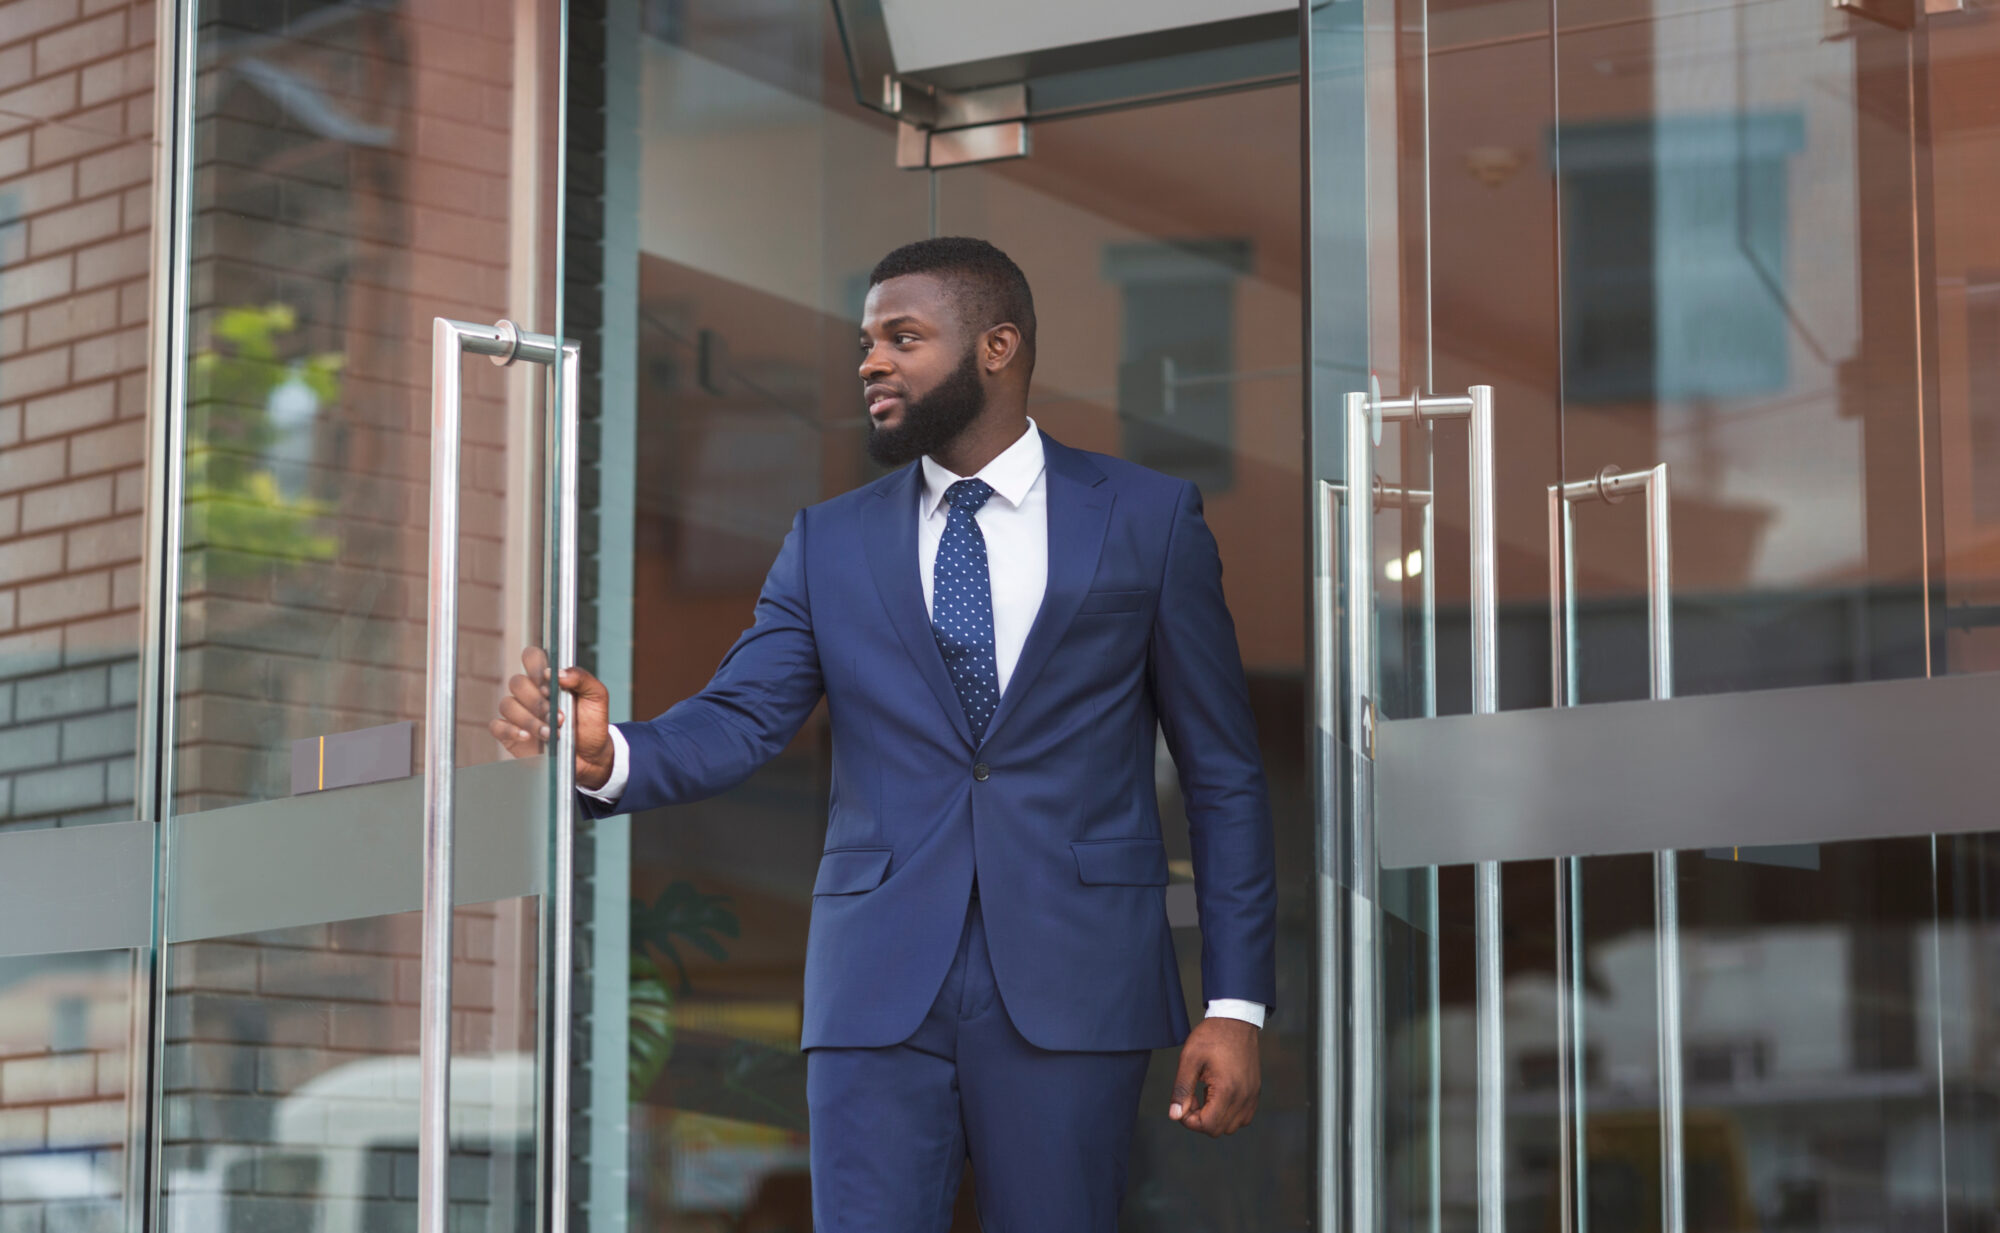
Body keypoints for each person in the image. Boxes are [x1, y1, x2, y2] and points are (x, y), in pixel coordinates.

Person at [494, 237, 1276, 1232]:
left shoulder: (1147, 519)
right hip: (875, 984)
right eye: (864, 342)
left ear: (996, 347)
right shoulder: (830, 539)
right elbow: (742, 716)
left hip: (1077, 976)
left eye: (901, 338)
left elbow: (1222, 777)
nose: (869, 361)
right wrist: (613, 756)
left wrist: (1235, 1003)